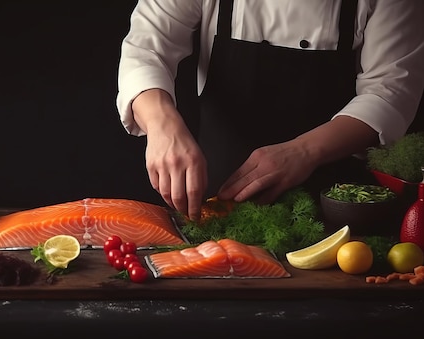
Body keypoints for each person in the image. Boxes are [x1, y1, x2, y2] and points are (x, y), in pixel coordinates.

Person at [116, 0, 424, 221]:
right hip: (221, 205)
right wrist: (163, 126)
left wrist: (304, 151)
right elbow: (146, 49)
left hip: (334, 210)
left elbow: (390, 92)